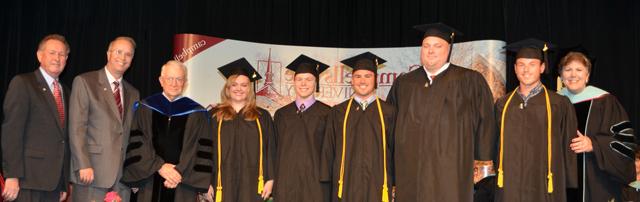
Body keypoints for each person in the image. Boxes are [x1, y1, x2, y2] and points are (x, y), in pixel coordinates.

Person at [386, 23, 496, 201]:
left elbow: (486, 119)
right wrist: (391, 170)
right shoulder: (405, 83)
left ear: (448, 50)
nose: (430, 51)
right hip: (411, 172)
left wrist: (482, 160)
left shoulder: (469, 80)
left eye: (437, 46)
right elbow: (389, 127)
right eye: (426, 46)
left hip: (452, 171)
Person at [495, 38, 578, 201]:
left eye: (532, 64)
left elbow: (568, 145)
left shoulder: (559, 104)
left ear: (542, 67)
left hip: (545, 182)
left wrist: (568, 181)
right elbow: (494, 143)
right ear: (515, 68)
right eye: (521, 65)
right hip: (510, 183)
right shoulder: (502, 104)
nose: (526, 70)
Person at [121, 60, 212, 201]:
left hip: (182, 182)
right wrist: (159, 167)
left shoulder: (197, 112)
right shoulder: (145, 107)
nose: (174, 83)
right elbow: (138, 143)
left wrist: (177, 172)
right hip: (150, 178)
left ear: (185, 82)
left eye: (179, 79)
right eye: (170, 78)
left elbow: (198, 149)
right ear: (161, 80)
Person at [557, 50, 636, 201]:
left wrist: (594, 144)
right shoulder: (554, 103)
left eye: (579, 70)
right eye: (568, 70)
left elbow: (625, 143)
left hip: (597, 183)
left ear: (587, 76)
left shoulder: (605, 102)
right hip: (561, 183)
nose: (573, 74)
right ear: (561, 76)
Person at [68, 36, 140, 201]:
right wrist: (83, 164)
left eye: (128, 54)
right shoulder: (85, 82)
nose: (123, 58)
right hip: (92, 173)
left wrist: (134, 172)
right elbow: (76, 127)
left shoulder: (133, 93)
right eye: (118, 52)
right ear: (108, 54)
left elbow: (132, 135)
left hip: (122, 179)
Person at [1, 34, 71, 202]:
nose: (57, 58)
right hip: (27, 181)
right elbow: (11, 132)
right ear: (40, 55)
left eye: (62, 54)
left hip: (53, 184)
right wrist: (12, 175)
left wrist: (63, 182)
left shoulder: (66, 91)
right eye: (52, 53)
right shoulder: (23, 83)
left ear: (67, 59)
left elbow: (63, 140)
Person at [320, 52, 396, 202]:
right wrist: (326, 182)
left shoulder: (389, 111)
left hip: (379, 183)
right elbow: (329, 148)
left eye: (368, 76)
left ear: (375, 80)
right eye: (358, 76)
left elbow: (396, 150)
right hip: (346, 182)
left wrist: (396, 183)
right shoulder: (338, 112)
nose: (362, 80)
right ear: (352, 81)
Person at [207, 58, 276, 201]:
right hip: (221, 182)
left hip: (252, 183)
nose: (239, 89)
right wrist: (205, 182)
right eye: (234, 85)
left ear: (249, 89)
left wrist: (270, 179)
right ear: (228, 88)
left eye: (244, 85)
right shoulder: (213, 116)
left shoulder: (262, 117)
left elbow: (271, 150)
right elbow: (204, 150)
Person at [272, 54, 331, 201]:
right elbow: (274, 150)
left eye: (309, 79)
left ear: (316, 82)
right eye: (299, 79)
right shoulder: (281, 114)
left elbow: (331, 152)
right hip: (286, 183)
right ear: (293, 82)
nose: (303, 83)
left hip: (316, 184)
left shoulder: (328, 113)